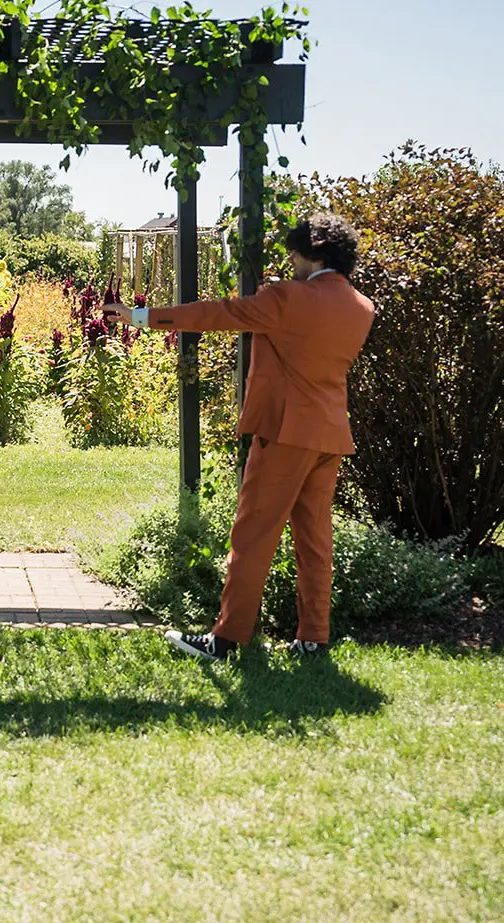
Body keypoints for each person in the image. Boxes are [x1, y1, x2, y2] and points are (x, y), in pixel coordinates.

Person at [103, 213, 375, 662]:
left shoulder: (289, 298)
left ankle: (225, 640)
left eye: (294, 251)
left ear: (314, 252)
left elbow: (220, 313)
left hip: (284, 434)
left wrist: (142, 316)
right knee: (315, 542)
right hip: (330, 436)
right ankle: (313, 639)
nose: (290, 259)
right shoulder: (361, 307)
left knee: (252, 537)